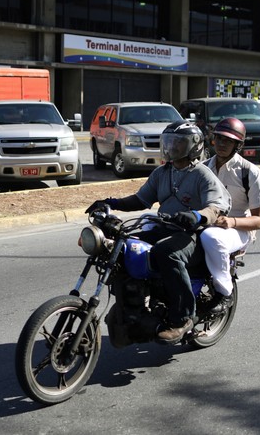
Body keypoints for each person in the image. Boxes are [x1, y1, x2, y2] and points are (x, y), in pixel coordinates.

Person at [85, 120, 231, 344]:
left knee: (165, 253)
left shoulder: (203, 174)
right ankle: (131, 306)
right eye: (169, 143)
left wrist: (197, 216)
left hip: (190, 233)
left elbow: (215, 207)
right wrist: (109, 202)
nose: (172, 149)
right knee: (124, 246)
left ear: (194, 147)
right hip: (163, 225)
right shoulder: (163, 172)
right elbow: (140, 199)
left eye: (178, 144)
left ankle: (182, 318)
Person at [200, 117, 260, 314]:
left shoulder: (250, 172)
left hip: (239, 229)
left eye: (228, 140)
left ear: (237, 145)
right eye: (219, 139)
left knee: (211, 237)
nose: (222, 144)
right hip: (207, 222)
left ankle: (225, 292)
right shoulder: (203, 168)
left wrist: (231, 222)